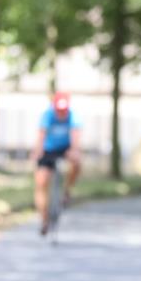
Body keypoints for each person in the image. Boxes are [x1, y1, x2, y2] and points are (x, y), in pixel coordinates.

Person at [33, 92, 82, 236]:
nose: (61, 113)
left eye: (63, 110)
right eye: (58, 110)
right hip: (48, 151)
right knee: (41, 182)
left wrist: (74, 150)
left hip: (65, 149)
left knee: (77, 163)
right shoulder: (47, 115)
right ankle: (44, 219)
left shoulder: (73, 116)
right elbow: (41, 135)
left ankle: (67, 190)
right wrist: (38, 151)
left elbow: (75, 136)